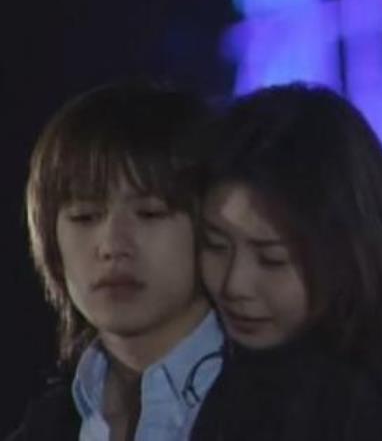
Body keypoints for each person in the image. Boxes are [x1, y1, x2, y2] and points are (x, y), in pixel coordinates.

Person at [193, 83, 382, 441]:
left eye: (272, 259)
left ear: (345, 249)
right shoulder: (192, 328)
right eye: (215, 245)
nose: (234, 285)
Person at [9, 81, 225, 441]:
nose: (112, 246)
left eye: (150, 213)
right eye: (84, 217)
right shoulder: (48, 424)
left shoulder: (292, 405)